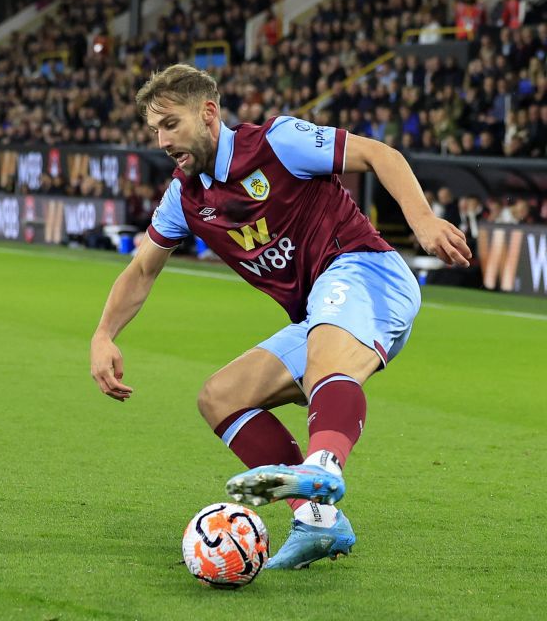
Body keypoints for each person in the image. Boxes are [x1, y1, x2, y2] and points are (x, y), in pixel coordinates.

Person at [88, 64, 470, 569]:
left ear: (208, 113)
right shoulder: (185, 196)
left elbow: (380, 154)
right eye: (156, 129)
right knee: (221, 397)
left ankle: (323, 467)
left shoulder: (278, 142)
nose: (162, 141)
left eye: (171, 124)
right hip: (321, 313)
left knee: (324, 353)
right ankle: (318, 520)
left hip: (367, 273)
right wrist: (103, 334)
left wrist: (422, 221)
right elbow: (141, 270)